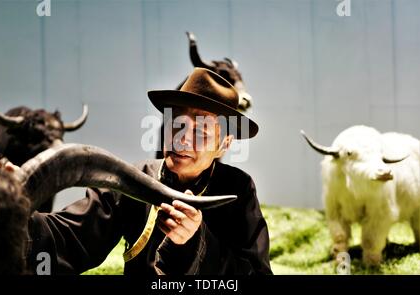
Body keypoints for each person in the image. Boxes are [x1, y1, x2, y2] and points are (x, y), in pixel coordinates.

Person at [25, 67, 272, 275]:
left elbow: (254, 272)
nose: (182, 140)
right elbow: (70, 238)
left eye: (200, 132)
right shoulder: (137, 178)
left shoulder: (238, 190)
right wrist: (8, 205)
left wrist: (196, 242)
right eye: (176, 125)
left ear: (224, 144)